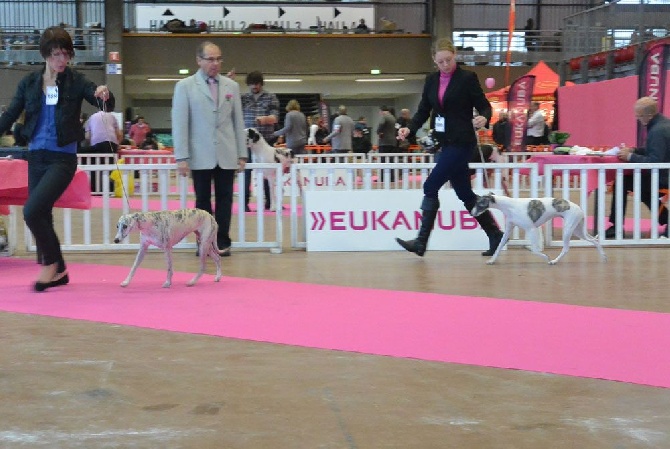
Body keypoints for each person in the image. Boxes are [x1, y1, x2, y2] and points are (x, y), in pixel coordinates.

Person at [0, 26, 113, 291]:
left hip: (62, 159)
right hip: (36, 156)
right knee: (42, 214)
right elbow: (10, 114)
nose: (61, 60)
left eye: (65, 54)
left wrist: (103, 95)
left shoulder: (77, 81)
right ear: (44, 55)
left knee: (31, 211)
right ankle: (60, 270)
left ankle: (50, 264)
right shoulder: (29, 83)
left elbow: (102, 102)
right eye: (55, 54)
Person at [395, 37, 503, 257]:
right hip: (444, 142)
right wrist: (410, 129)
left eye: (449, 60)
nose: (445, 65)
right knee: (465, 193)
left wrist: (484, 117)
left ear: (455, 56)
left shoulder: (467, 78)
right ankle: (495, 235)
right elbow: (423, 110)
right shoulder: (431, 80)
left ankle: (421, 242)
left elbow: (484, 106)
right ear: (434, 61)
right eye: (440, 62)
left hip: (462, 142)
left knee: (430, 185)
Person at [172, 41, 247, 257]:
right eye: (210, 59)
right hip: (199, 154)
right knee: (202, 201)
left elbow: (237, 122)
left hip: (226, 152)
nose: (215, 63)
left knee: (225, 199)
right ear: (199, 60)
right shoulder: (184, 86)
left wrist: (242, 154)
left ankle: (222, 240)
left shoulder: (231, 87)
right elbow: (180, 124)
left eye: (218, 59)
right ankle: (204, 242)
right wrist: (182, 157)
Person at [605, 96, 670, 239]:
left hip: (662, 177)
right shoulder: (662, 124)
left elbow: (654, 161)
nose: (637, 119)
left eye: (639, 116)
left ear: (648, 115)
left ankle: (615, 226)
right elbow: (654, 151)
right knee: (642, 190)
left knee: (622, 182)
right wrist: (634, 150)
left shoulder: (657, 131)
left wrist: (630, 157)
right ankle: (666, 219)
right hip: (664, 174)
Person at [241, 70, 279, 212]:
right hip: (248, 143)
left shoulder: (271, 97)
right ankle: (244, 203)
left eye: (256, 84)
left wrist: (265, 119)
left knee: (268, 173)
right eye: (251, 84)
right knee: (246, 173)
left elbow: (275, 117)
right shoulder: (244, 98)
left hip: (266, 142)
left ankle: (270, 202)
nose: (253, 87)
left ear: (261, 84)